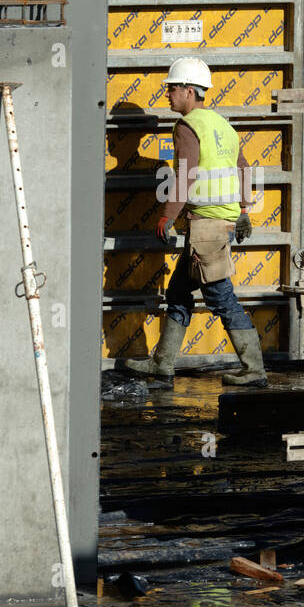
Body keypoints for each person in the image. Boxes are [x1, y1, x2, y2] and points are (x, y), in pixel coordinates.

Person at [119, 57, 268, 387]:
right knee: (178, 292)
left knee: (220, 298)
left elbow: (185, 174)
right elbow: (244, 168)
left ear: (189, 91)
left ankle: (254, 369)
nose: (167, 95)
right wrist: (244, 211)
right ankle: (163, 363)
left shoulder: (187, 127)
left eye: (172, 89)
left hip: (206, 226)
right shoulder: (222, 125)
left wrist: (167, 215)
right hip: (216, 224)